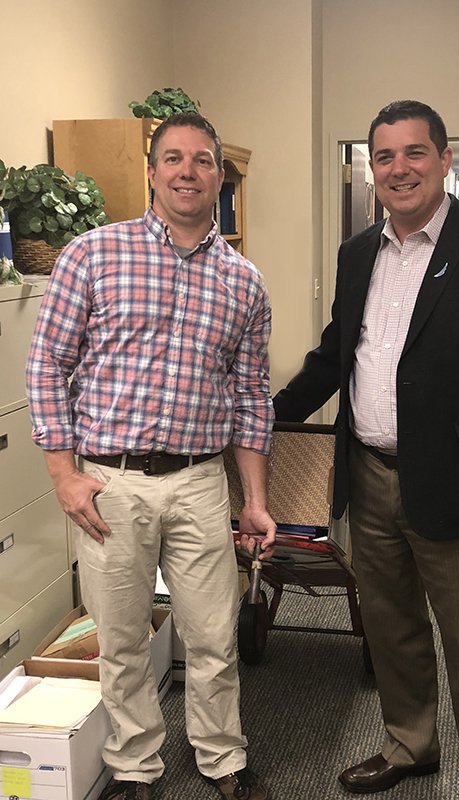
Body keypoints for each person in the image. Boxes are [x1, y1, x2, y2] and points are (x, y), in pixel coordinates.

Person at [273, 100, 459, 799]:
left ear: (443, 158)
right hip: (368, 474)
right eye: (385, 157)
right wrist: (267, 417)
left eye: (414, 152)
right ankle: (410, 742)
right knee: (392, 627)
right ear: (373, 169)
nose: (399, 169)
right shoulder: (358, 251)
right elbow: (339, 353)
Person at [26, 113, 275, 800]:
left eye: (201, 160)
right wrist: (63, 476)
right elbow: (47, 365)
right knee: (124, 642)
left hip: (199, 482)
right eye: (173, 158)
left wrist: (253, 500)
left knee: (213, 637)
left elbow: (252, 395)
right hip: (109, 482)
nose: (187, 171)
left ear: (219, 175)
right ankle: (136, 767)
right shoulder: (92, 256)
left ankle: (223, 757)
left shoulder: (244, 282)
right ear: (152, 171)